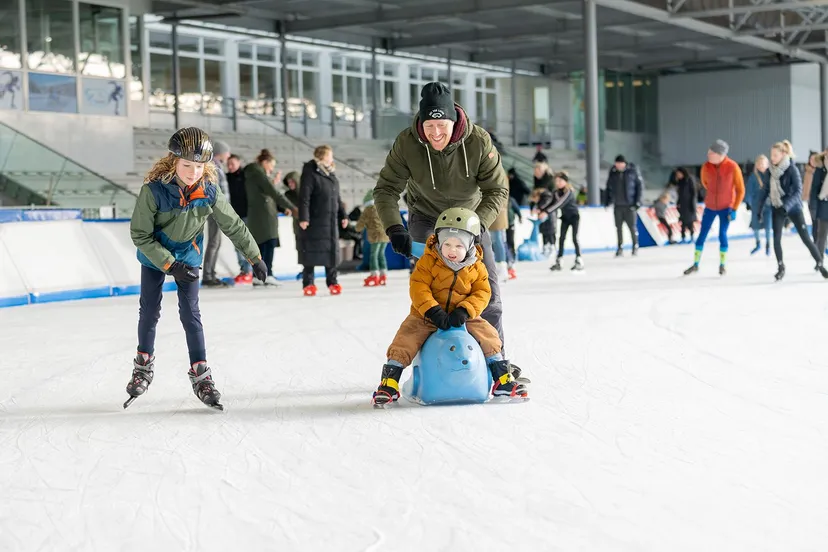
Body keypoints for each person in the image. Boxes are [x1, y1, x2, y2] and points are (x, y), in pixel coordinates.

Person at [374, 81, 522, 381]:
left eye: (441, 125)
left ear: (454, 121)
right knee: (429, 291)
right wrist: (395, 228)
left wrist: (478, 224)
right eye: (429, 126)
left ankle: (497, 362)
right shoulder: (407, 143)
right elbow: (386, 189)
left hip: (471, 220)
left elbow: (497, 189)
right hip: (426, 216)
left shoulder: (478, 141)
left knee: (487, 291)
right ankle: (435, 362)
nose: (435, 133)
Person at [127, 127, 267, 410]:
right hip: (155, 255)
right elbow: (140, 235)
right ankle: (142, 366)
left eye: (199, 166)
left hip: (188, 255)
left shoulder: (208, 191)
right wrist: (170, 264)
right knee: (150, 310)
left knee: (191, 314)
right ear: (174, 162)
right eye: (187, 165)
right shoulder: (153, 191)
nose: (193, 172)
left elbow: (233, 224)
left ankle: (201, 374)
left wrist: (254, 257)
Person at [371, 207, 528, 407]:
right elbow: (419, 287)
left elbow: (482, 293)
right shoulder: (428, 260)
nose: (451, 250)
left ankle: (502, 380)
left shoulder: (477, 267)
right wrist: (432, 310)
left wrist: (465, 310)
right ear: (438, 241)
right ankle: (389, 383)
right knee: (406, 338)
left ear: (470, 245)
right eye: (447, 244)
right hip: (425, 315)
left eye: (458, 245)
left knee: (489, 335)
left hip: (464, 316)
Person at [757, 140, 828, 281]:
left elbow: (797, 192)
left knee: (805, 238)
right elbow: (765, 190)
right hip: (777, 207)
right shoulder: (770, 171)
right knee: (776, 239)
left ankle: (820, 265)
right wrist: (758, 210)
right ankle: (781, 267)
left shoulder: (792, 169)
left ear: (783, 154)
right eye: (771, 155)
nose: (772, 158)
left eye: (775, 155)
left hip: (794, 208)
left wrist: (787, 206)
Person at [683, 140, 744, 276]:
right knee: (702, 234)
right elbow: (705, 183)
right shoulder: (706, 167)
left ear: (720, 154)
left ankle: (722, 264)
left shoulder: (732, 167)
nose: (708, 155)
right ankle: (696, 264)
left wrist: (734, 208)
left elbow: (740, 190)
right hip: (710, 207)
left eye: (711, 153)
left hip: (726, 207)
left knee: (722, 234)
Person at [297, 145, 347, 297]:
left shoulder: (331, 174)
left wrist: (343, 215)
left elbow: (337, 198)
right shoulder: (310, 172)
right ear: (322, 156)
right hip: (315, 220)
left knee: (331, 253)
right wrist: (304, 217)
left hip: (330, 221)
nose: (332, 158)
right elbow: (304, 197)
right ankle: (308, 283)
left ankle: (332, 282)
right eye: (329, 155)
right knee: (310, 252)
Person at [244, 149, 297, 287]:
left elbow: (264, 191)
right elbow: (274, 193)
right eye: (271, 165)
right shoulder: (258, 174)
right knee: (269, 242)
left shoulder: (254, 174)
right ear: (265, 162)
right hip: (265, 214)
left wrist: (272, 182)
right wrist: (292, 207)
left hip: (258, 213)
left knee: (261, 245)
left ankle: (258, 275)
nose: (272, 169)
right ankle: (267, 274)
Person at [538, 172, 582, 271]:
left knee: (574, 238)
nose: (558, 183)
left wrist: (546, 212)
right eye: (556, 181)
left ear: (565, 181)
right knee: (561, 238)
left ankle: (579, 259)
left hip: (574, 217)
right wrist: (541, 209)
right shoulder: (556, 192)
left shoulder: (569, 191)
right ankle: (559, 260)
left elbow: (560, 204)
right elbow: (551, 203)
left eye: (560, 181)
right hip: (565, 217)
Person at [201, 140, 231, 287]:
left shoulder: (217, 166)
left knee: (216, 242)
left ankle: (211, 274)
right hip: (215, 209)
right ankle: (207, 276)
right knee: (214, 242)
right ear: (221, 152)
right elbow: (213, 190)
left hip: (219, 209)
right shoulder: (212, 167)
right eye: (227, 152)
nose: (228, 155)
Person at [604, 154, 642, 256]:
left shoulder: (632, 172)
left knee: (632, 227)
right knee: (618, 227)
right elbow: (608, 188)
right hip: (618, 205)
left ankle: (635, 245)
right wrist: (607, 201)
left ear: (624, 163)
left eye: (620, 163)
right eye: (617, 163)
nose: (618, 165)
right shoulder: (613, 173)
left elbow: (639, 187)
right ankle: (620, 247)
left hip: (630, 205)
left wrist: (637, 201)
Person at [226, 154, 253, 284]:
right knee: (237, 244)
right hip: (233, 216)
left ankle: (248, 270)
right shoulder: (227, 178)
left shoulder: (246, 176)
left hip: (247, 214)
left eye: (232, 163)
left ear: (239, 162)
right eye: (228, 164)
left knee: (246, 243)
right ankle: (244, 270)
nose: (230, 166)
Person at [355, 189, 389, 287]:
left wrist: (357, 228)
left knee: (374, 255)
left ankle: (374, 275)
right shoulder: (381, 208)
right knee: (381, 255)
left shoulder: (368, 210)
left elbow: (359, 225)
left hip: (375, 236)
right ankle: (383, 275)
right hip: (385, 235)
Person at [746, 154, 772, 256]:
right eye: (759, 163)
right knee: (756, 225)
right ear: (756, 165)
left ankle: (768, 245)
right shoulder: (753, 177)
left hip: (768, 206)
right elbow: (749, 191)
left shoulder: (770, 176)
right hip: (756, 206)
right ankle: (758, 243)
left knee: (768, 226)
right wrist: (749, 203)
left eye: (763, 163)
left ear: (767, 164)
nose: (761, 165)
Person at [809, 152, 828, 263]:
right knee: (821, 234)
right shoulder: (820, 170)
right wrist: (813, 207)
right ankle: (819, 259)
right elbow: (814, 189)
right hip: (823, 206)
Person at [674, 167, 698, 243]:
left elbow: (693, 192)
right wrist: (678, 203)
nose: (678, 176)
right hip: (682, 204)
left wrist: (693, 203)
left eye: (679, 174)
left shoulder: (689, 180)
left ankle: (692, 236)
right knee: (683, 222)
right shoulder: (680, 182)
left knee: (689, 221)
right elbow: (680, 194)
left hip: (689, 204)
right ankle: (683, 237)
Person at [505, 196, 522, 280]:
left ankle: (512, 258)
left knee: (510, 242)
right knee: (504, 243)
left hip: (510, 224)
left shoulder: (511, 199)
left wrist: (520, 217)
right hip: (501, 226)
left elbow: (517, 209)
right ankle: (507, 259)